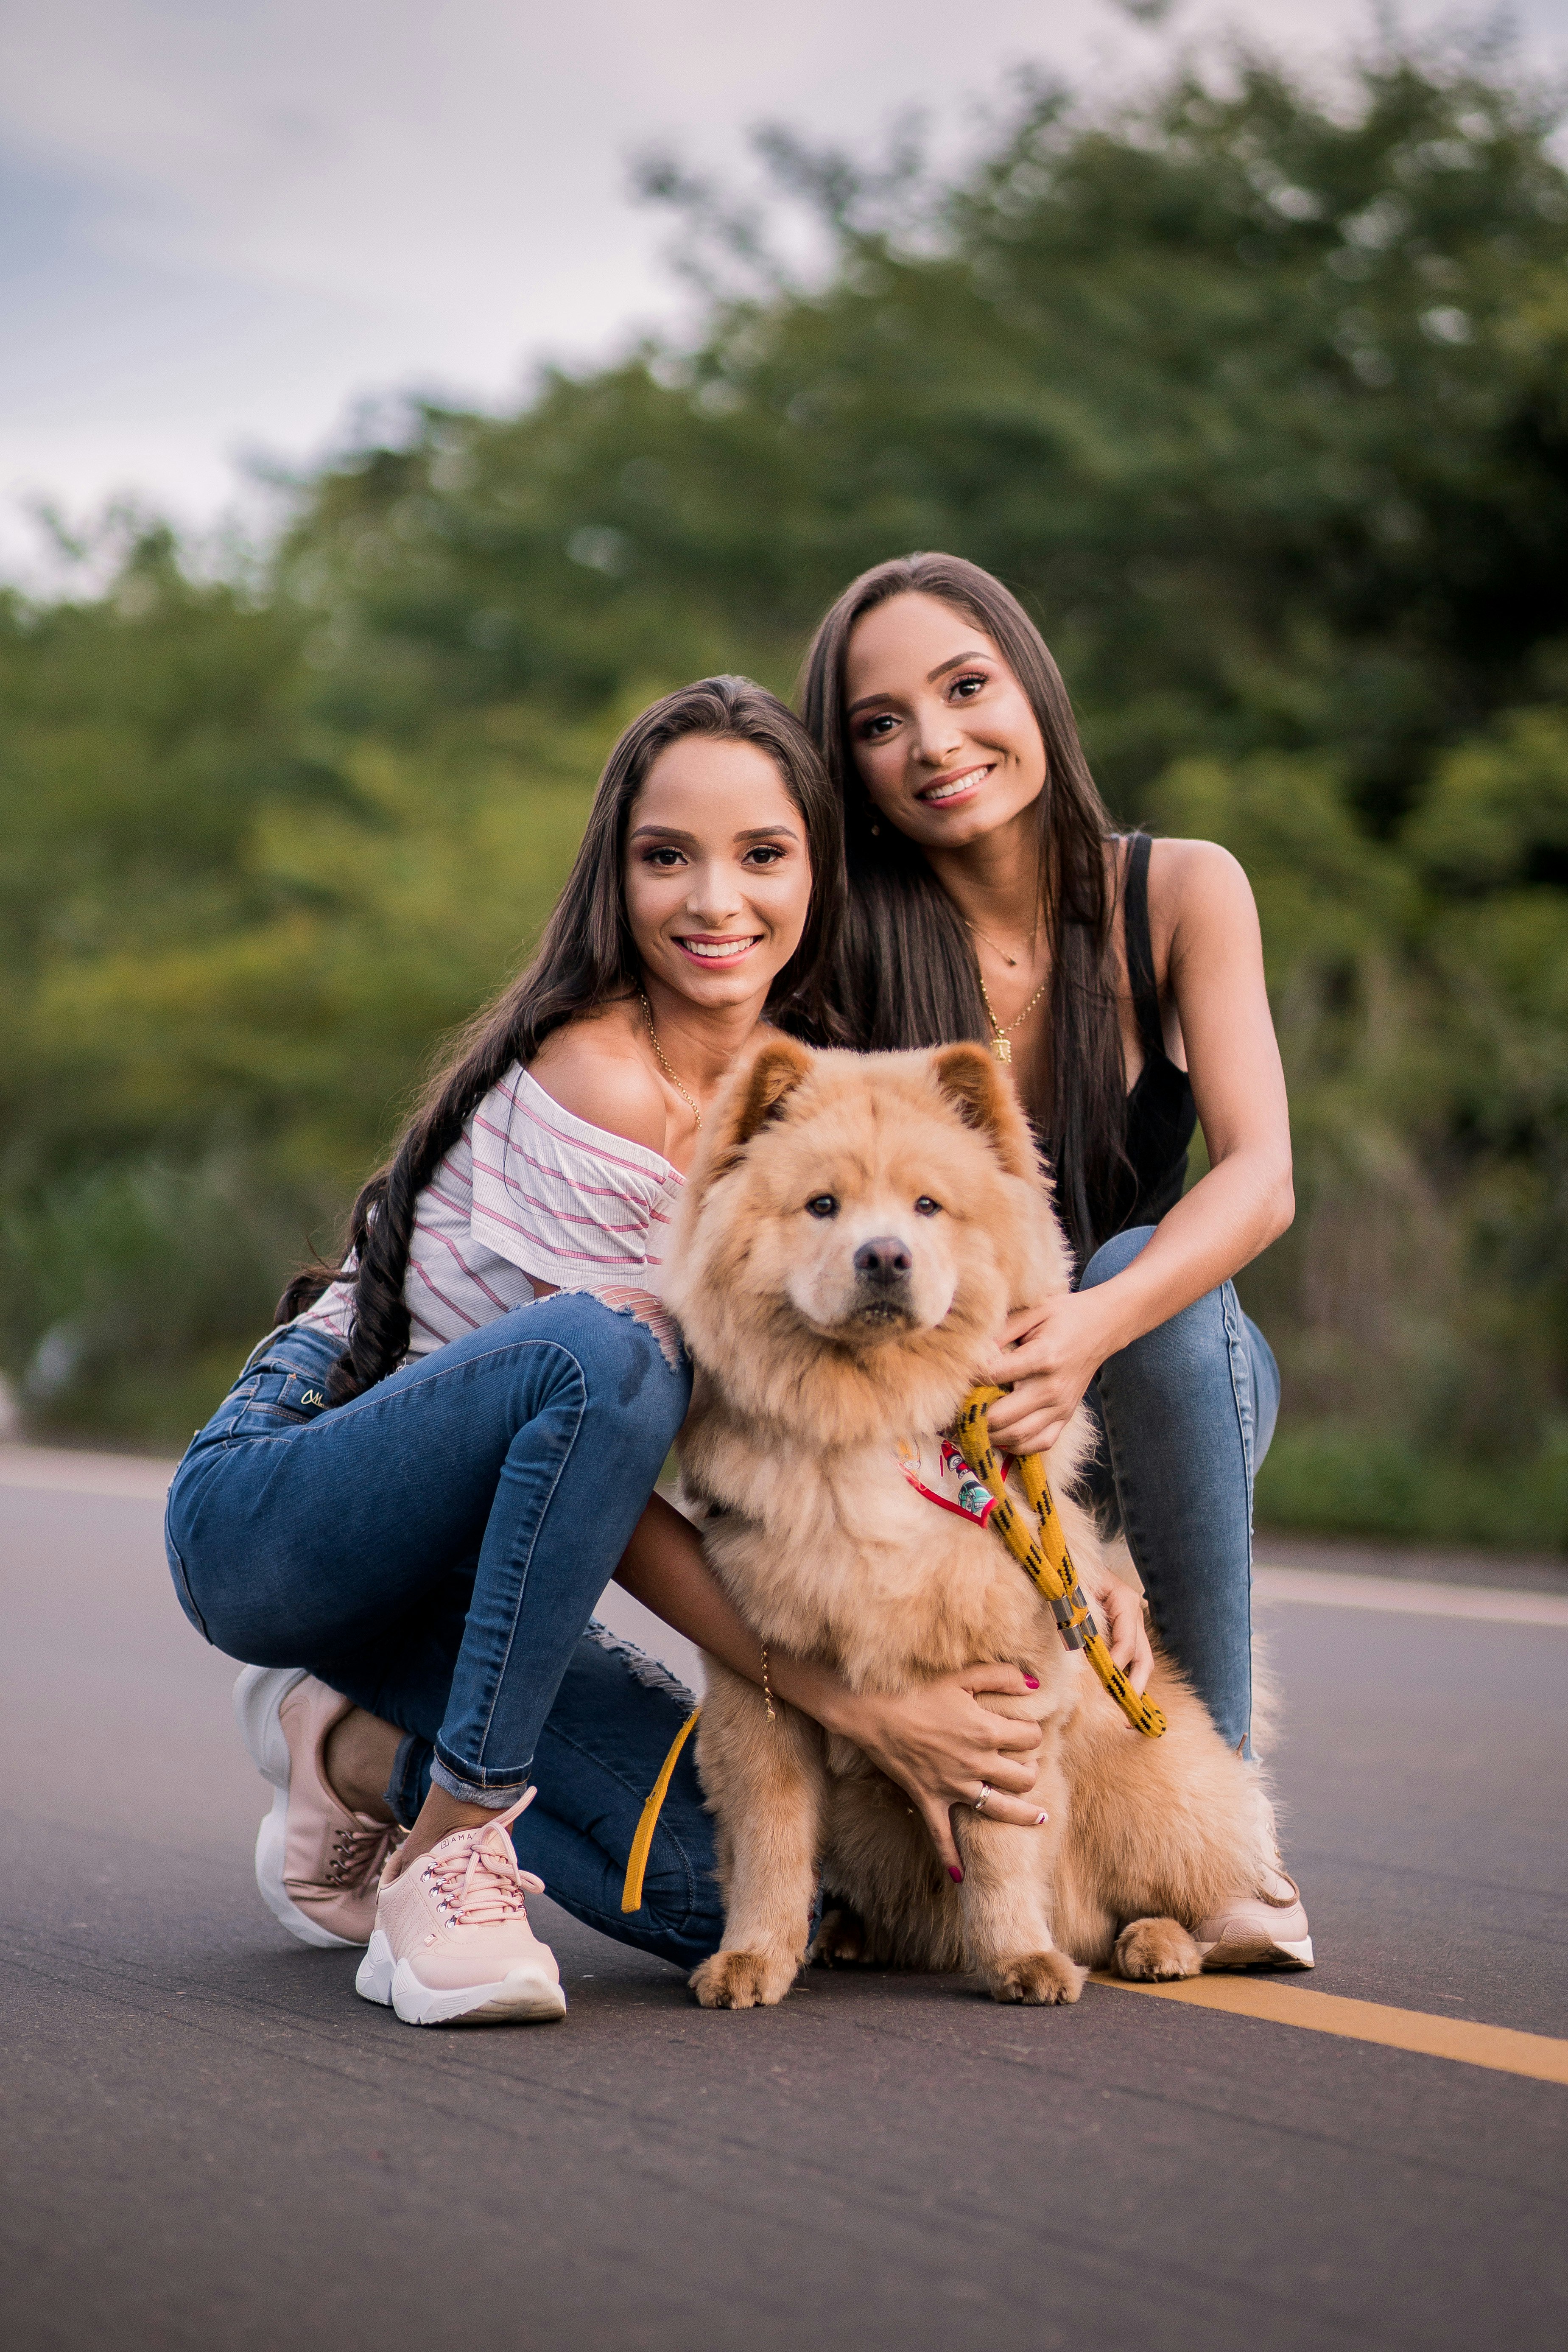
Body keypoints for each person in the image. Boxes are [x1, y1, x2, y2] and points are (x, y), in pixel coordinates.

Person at [165, 674, 1087, 2029]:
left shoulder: (816, 1101)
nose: (718, 901)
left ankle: (352, 1747)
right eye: (669, 858)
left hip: (476, 1585)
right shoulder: (596, 1082)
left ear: (818, 876)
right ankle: (453, 1846)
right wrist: (849, 1702)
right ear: (618, 877)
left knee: (762, 1899)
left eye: (763, 855)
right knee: (620, 1347)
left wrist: (1061, 1560)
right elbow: (619, 1440)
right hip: (294, 1505)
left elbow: (912, 1367)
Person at [797, 554, 1312, 1966]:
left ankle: (1232, 1859)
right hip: (957, 1425)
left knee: (1157, 1264)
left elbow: (1259, 1177)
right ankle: (907, 1859)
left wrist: (1085, 1334)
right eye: (880, 721)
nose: (936, 743)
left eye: (966, 688)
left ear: (1031, 685)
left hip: (1161, 1377)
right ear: (848, 763)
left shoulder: (1182, 891)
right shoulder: (841, 955)